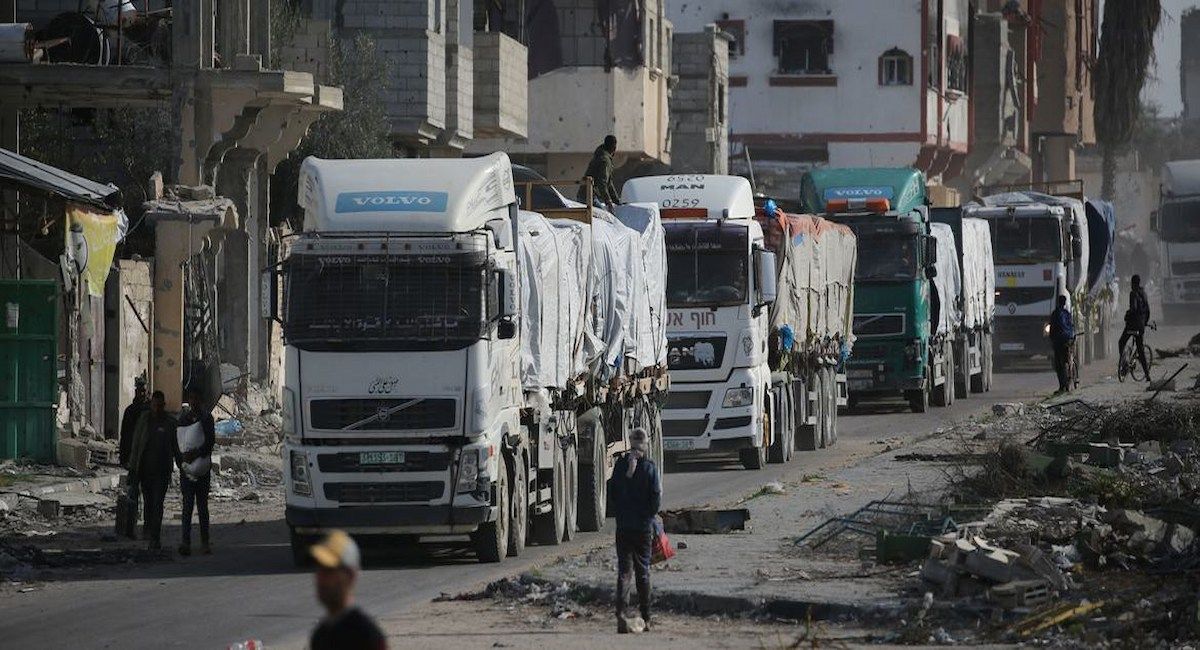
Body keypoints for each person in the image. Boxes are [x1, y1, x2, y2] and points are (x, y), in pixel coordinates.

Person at [609, 427, 662, 633]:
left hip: (623, 527)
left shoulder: (621, 465)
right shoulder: (649, 468)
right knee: (643, 572)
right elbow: (656, 497)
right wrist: (648, 516)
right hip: (642, 529)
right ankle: (646, 617)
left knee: (624, 572)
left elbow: (613, 493)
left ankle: (621, 615)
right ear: (645, 445)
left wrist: (623, 511)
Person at [309, 530, 388, 650]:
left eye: (329, 570)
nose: (320, 578)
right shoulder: (320, 635)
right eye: (318, 569)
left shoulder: (364, 634)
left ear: (350, 575)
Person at [127, 390, 177, 550]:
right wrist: (132, 468)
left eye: (159, 406)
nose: (157, 409)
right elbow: (136, 445)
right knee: (148, 503)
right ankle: (148, 531)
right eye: (154, 406)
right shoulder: (144, 420)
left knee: (158, 504)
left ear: (163, 405)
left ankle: (155, 537)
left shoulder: (170, 423)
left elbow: (176, 447)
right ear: (151, 405)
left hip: (162, 471)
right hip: (144, 470)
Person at [174, 387, 215, 556]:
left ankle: (204, 542)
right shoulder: (184, 419)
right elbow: (177, 443)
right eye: (191, 398)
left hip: (202, 470)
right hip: (187, 470)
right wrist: (183, 461)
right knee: (187, 506)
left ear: (201, 400)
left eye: (196, 398)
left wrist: (196, 454)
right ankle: (186, 542)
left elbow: (210, 442)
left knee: (202, 507)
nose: (194, 402)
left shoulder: (206, 418)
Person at [118, 378, 149, 531]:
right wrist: (123, 457)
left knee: (149, 496)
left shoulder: (150, 411)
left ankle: (148, 528)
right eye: (140, 391)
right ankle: (131, 527)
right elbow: (125, 436)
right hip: (134, 459)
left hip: (149, 460)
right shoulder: (130, 411)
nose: (142, 394)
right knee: (133, 494)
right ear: (136, 392)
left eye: (144, 391)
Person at [1119, 274, 1152, 381]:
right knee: (1140, 350)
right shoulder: (1144, 294)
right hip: (1140, 326)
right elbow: (1148, 310)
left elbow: (1133, 308)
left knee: (1121, 342)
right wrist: (1144, 322)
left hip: (1132, 325)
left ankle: (1124, 364)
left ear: (1133, 284)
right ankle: (1147, 375)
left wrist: (1127, 315)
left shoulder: (1133, 293)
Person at [579, 134, 620, 207]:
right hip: (590, 196)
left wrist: (616, 201)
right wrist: (608, 201)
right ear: (614, 148)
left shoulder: (599, 155)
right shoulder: (605, 160)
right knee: (605, 217)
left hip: (585, 194)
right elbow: (603, 183)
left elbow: (609, 183)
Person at [1048, 295, 1076, 394]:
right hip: (1068, 340)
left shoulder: (1055, 314)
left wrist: (1051, 339)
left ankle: (1062, 386)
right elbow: (1072, 326)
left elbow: (1052, 329)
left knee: (1059, 365)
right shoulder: (1067, 313)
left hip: (1058, 341)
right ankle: (1071, 377)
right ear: (1064, 303)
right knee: (1068, 360)